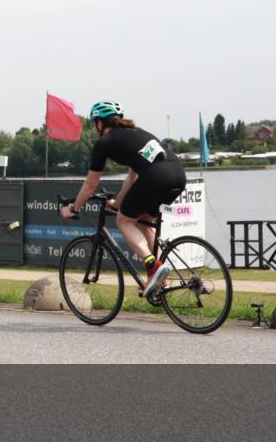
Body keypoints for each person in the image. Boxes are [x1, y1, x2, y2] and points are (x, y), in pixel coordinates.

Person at [60, 101, 187, 296]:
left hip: (156, 177)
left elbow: (91, 183)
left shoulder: (104, 142)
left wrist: (74, 209)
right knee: (145, 221)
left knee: (123, 221)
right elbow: (132, 177)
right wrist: (117, 203)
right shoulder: (137, 132)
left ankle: (153, 266)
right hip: (178, 174)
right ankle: (160, 277)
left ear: (100, 123)